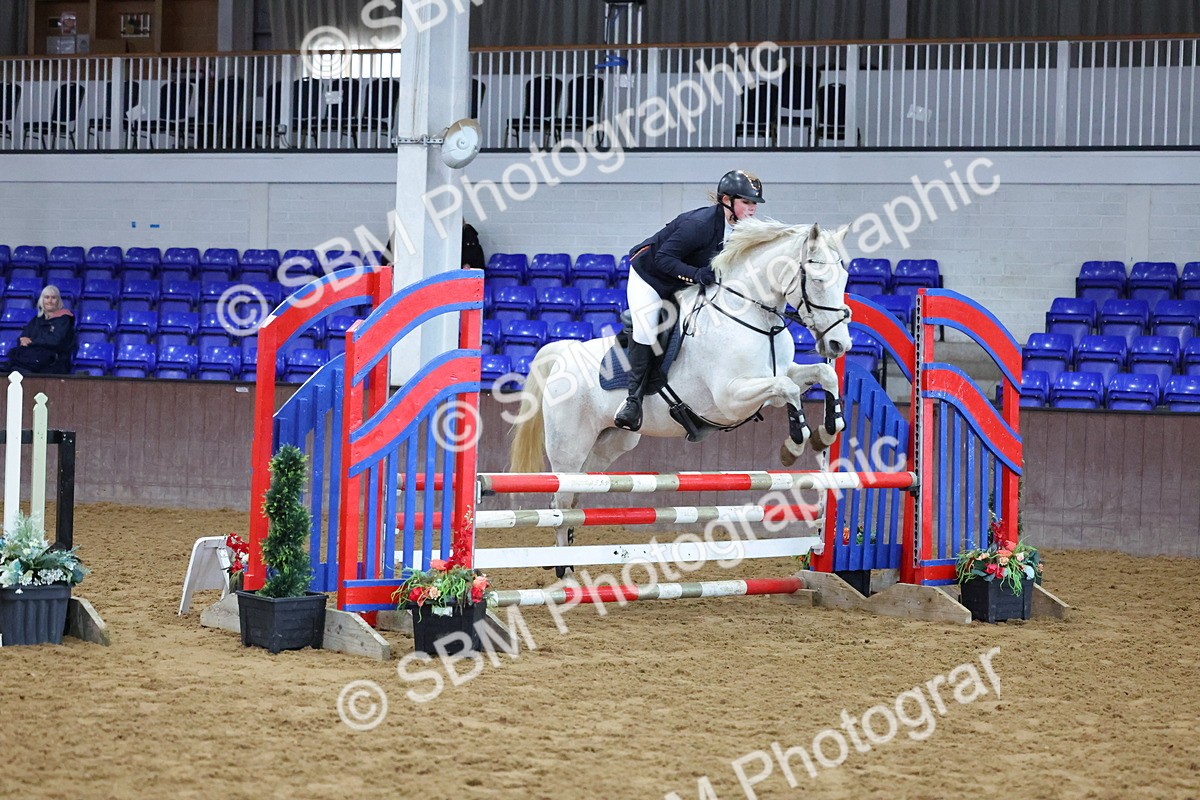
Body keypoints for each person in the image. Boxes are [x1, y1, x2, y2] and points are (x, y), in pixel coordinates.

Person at [614, 169, 765, 431]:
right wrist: (697, 274)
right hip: (650, 276)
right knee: (647, 329)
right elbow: (663, 259)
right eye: (747, 202)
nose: (752, 209)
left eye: (754, 203)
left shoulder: (744, 228)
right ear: (726, 200)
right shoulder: (699, 224)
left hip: (684, 280)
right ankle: (632, 401)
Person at [5, 285, 76, 375]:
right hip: (33, 359)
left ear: (58, 301)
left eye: (53, 298)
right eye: (47, 297)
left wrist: (32, 341)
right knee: (14, 365)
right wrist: (23, 341)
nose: (50, 301)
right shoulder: (37, 319)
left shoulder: (64, 319)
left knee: (19, 372)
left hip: (54, 362)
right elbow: (24, 336)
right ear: (42, 300)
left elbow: (55, 341)